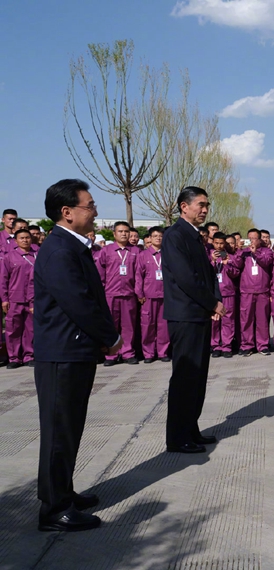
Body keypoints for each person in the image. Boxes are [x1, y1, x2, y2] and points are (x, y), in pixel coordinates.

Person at [33, 179, 122, 531]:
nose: (95, 211)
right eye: (90, 205)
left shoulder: (72, 246)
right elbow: (78, 302)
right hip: (62, 353)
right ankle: (54, 509)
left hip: (75, 350)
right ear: (67, 212)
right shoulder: (59, 250)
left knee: (70, 428)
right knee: (59, 431)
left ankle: (64, 491)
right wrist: (110, 336)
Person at [161, 187, 225, 454]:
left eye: (207, 205)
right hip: (185, 315)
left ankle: (190, 428)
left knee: (198, 376)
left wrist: (215, 300)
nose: (205, 210)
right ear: (184, 206)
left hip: (198, 313)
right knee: (185, 377)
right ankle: (178, 437)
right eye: (200, 204)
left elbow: (208, 273)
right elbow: (186, 277)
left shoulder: (195, 236)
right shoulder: (175, 235)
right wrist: (211, 302)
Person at [96, 221, 140, 366]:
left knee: (128, 326)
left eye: (126, 231)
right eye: (120, 231)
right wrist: (101, 293)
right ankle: (111, 355)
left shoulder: (135, 251)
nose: (124, 234)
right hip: (110, 294)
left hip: (129, 294)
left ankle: (128, 353)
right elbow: (100, 274)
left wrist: (138, 292)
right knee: (111, 325)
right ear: (114, 234)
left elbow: (139, 275)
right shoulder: (106, 251)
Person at [1, 228, 37, 368]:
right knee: (13, 329)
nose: (25, 240)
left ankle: (29, 355)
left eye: (27, 237)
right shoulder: (9, 257)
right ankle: (14, 358)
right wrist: (4, 298)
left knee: (30, 329)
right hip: (14, 298)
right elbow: (3, 279)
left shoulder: (37, 255)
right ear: (15, 241)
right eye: (22, 238)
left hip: (32, 299)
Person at [238, 229, 274, 356]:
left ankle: (263, 345)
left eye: (254, 238)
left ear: (259, 239)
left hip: (262, 291)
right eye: (250, 238)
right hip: (246, 291)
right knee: (246, 319)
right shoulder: (244, 252)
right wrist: (239, 250)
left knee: (262, 319)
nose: (252, 241)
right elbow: (237, 265)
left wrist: (256, 253)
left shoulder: (267, 251)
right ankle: (247, 345)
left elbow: (266, 262)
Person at [136, 227, 169, 363]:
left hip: (165, 296)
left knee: (163, 326)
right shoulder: (143, 255)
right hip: (148, 296)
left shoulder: (167, 254)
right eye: (155, 236)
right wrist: (139, 293)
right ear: (149, 238)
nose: (158, 238)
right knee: (147, 325)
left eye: (160, 236)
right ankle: (148, 353)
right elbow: (138, 276)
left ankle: (163, 352)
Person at [210, 232, 240, 358]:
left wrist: (227, 264)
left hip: (228, 292)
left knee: (228, 320)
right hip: (213, 293)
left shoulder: (230, 257)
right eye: (216, 243)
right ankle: (215, 346)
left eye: (221, 243)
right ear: (213, 242)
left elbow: (236, 274)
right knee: (215, 321)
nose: (219, 246)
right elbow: (204, 273)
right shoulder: (208, 256)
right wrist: (212, 261)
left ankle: (227, 346)